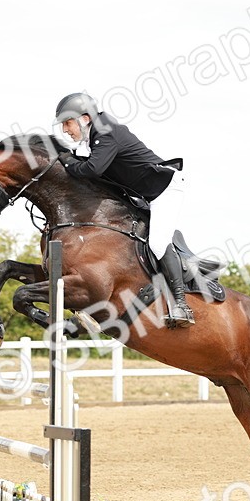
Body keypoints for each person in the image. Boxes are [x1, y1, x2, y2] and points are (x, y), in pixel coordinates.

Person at [54, 91, 193, 327]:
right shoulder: (94, 136)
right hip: (140, 193)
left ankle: (181, 305)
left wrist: (66, 160)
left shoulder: (107, 132)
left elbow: (91, 170)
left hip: (164, 192)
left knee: (158, 243)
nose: (66, 130)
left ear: (85, 118)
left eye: (68, 123)